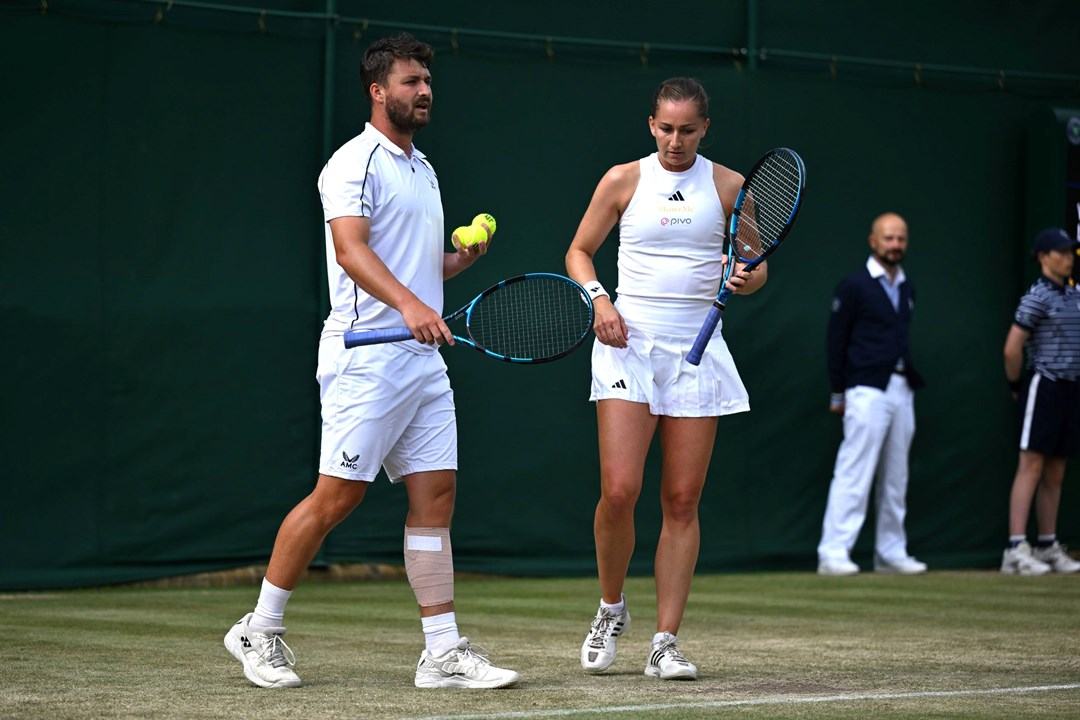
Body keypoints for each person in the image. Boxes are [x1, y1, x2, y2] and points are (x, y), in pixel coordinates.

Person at [223, 32, 519, 690]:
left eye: (428, 82)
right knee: (337, 498)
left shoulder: (423, 168)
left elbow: (415, 269)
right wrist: (413, 305)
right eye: (411, 82)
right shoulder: (352, 163)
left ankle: (441, 652)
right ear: (377, 90)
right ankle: (259, 628)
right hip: (366, 357)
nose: (424, 92)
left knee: (435, 497)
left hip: (421, 360)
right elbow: (353, 253)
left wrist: (458, 264)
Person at [564, 77, 767, 681]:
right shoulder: (622, 180)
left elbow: (756, 267)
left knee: (682, 499)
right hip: (628, 347)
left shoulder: (731, 186)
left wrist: (745, 278)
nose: (675, 141)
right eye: (666, 128)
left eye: (688, 130)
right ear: (650, 124)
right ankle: (610, 607)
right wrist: (600, 301)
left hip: (697, 354)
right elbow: (579, 251)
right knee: (620, 491)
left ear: (705, 128)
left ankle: (665, 640)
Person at [816, 213, 928, 577]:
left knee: (896, 475)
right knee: (855, 470)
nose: (895, 245)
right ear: (873, 241)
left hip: (901, 387)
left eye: (901, 239)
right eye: (889, 238)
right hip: (864, 388)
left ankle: (891, 552)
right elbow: (836, 342)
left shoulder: (906, 287)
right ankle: (833, 552)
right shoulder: (854, 286)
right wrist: (838, 392)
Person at [1000, 227, 1080, 576]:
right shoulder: (1036, 297)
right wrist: (1017, 384)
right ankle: (1016, 548)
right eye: (1061, 252)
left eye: (1070, 252)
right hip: (1043, 385)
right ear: (1044, 257)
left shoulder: (1075, 295)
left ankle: (1047, 545)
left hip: (1070, 389)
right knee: (1031, 464)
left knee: (1056, 468)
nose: (1068, 258)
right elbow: (1011, 347)